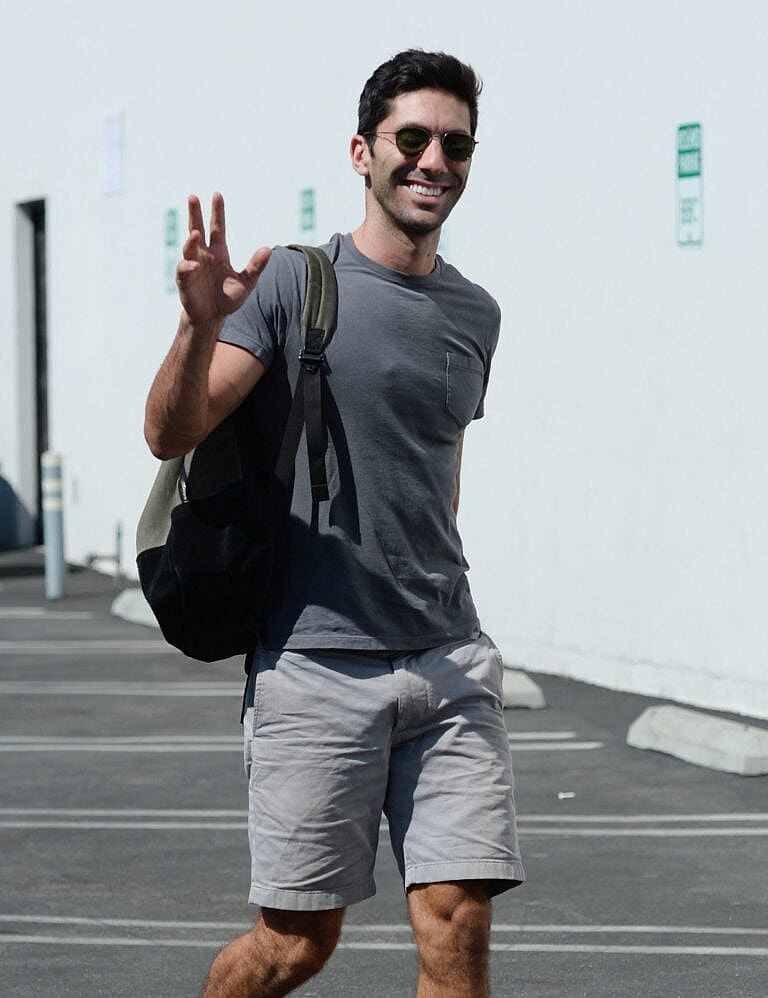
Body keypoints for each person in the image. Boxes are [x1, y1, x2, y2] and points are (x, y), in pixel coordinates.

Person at [145, 48, 524, 998]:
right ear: (363, 152)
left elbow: (441, 474)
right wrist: (197, 325)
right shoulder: (292, 283)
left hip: (447, 660)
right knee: (295, 943)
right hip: (315, 666)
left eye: (456, 143)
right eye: (412, 138)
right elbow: (170, 432)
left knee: (459, 923)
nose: (435, 159)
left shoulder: (476, 314)